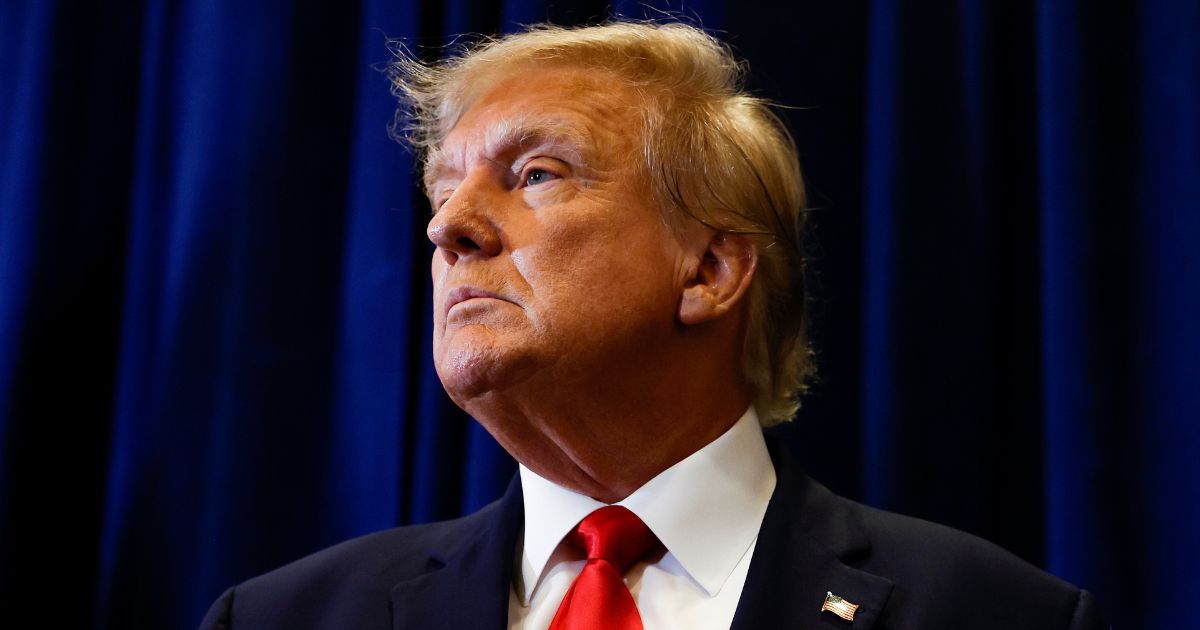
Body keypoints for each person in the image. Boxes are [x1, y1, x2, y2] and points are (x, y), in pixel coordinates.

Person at [200, 21, 1107, 630]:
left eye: (537, 175)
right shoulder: (284, 616)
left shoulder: (995, 614)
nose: (447, 228)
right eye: (443, 193)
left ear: (709, 271)